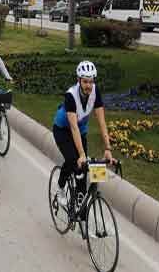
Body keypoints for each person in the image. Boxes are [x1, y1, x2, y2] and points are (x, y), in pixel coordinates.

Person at [53, 61, 113, 207]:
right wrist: (81, 154)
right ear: (79, 80)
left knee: (84, 169)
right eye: (85, 81)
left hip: (81, 131)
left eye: (91, 82)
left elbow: (102, 123)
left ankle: (80, 206)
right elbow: (73, 128)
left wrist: (107, 149)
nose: (88, 85)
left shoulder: (95, 92)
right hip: (63, 130)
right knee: (74, 160)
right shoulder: (71, 96)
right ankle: (60, 188)